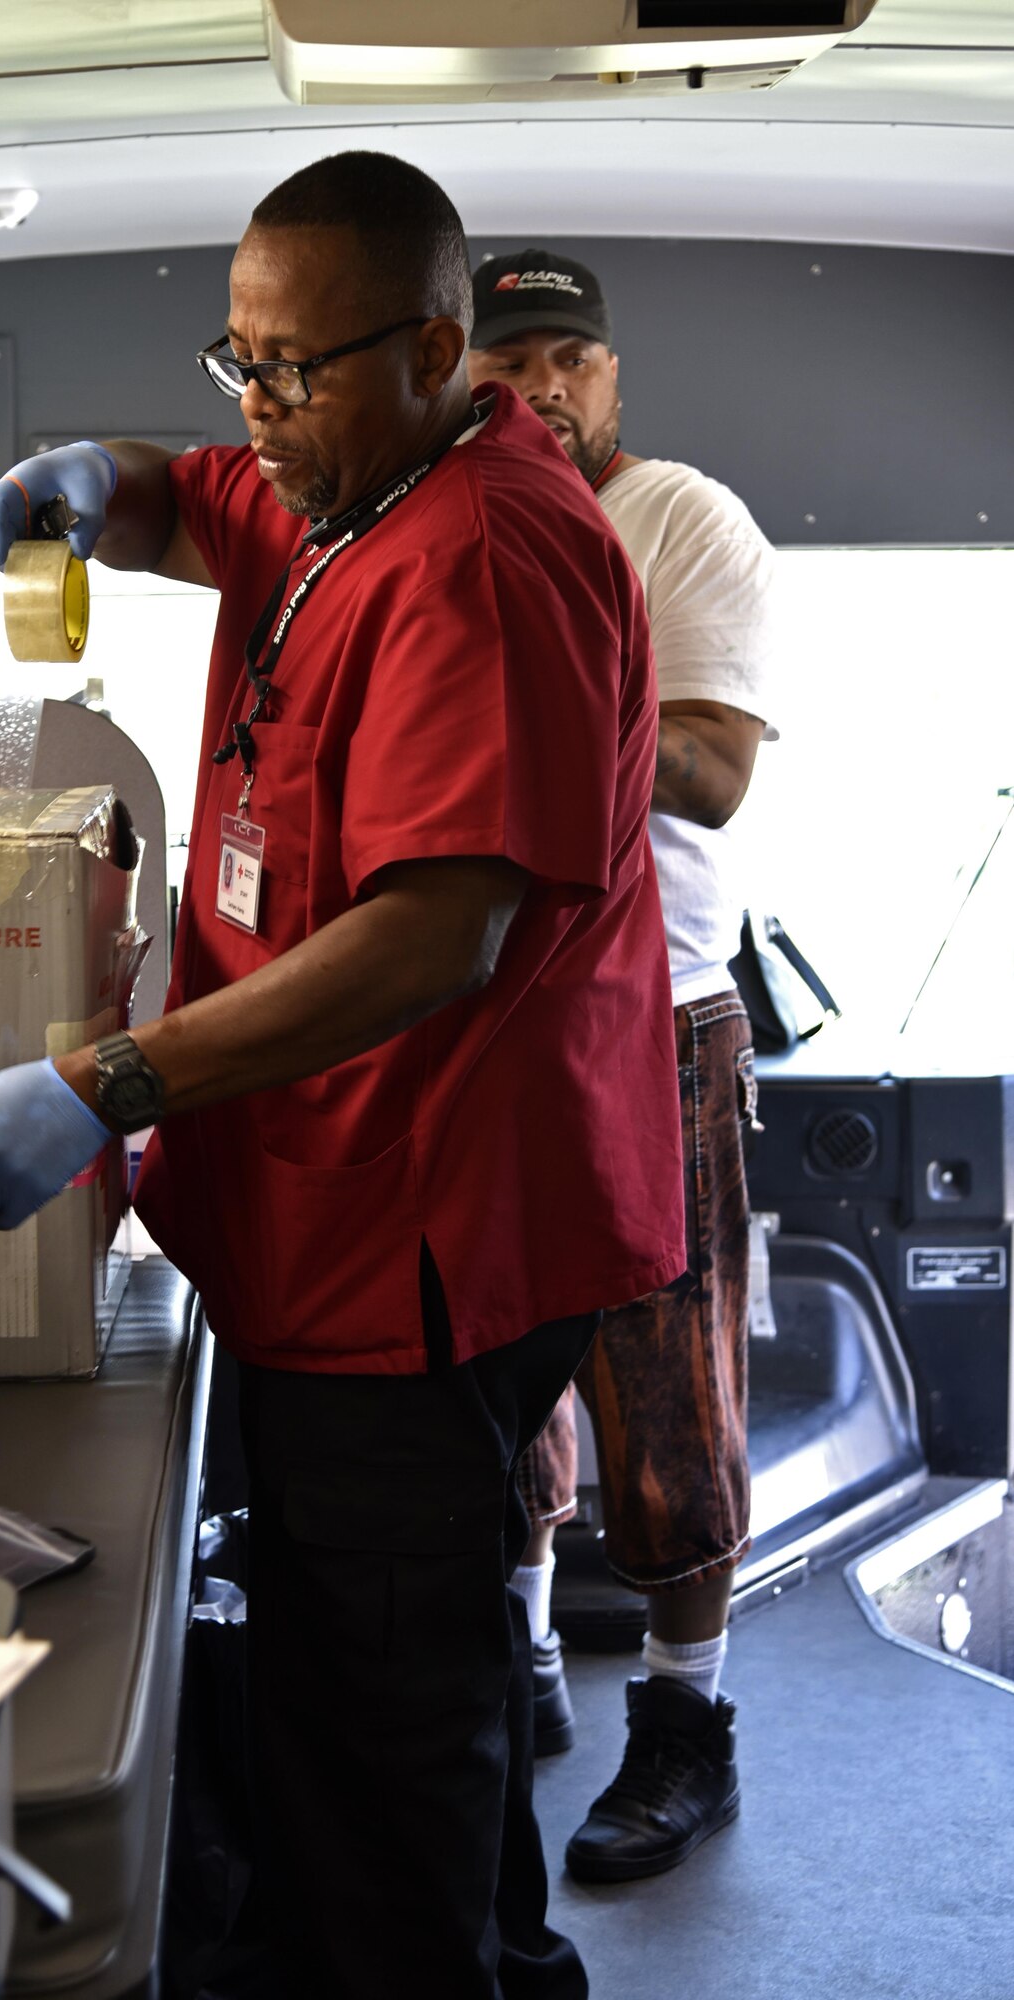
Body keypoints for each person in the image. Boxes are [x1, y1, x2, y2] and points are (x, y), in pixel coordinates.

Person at [0, 157, 686, 2000]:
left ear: (444, 349)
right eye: (239, 360)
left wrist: (113, 1080)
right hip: (334, 1214)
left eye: (298, 371)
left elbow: (438, 935)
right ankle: (501, 1964)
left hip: (423, 1237)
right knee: (401, 1683)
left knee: (376, 1724)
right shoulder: (343, 475)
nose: (258, 415)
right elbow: (182, 494)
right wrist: (87, 483)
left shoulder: (487, 553)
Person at [468, 249, 777, 1883]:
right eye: (508, 362)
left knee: (667, 1392)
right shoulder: (448, 518)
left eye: (569, 359)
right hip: (492, 1009)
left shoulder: (679, 523)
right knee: (504, 1371)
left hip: (661, 1014)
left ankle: (686, 1724)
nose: (541, 390)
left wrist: (514, 705)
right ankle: (523, 1654)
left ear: (609, 376)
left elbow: (716, 774)